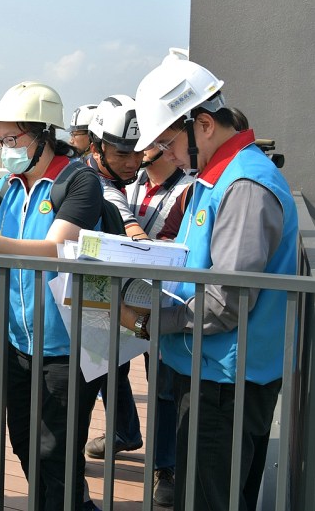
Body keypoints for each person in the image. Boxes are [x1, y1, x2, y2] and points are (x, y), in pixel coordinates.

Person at [119, 58, 298, 511]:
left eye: (168, 142)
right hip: (212, 373)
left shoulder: (244, 185)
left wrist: (148, 322)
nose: (167, 155)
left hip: (224, 383)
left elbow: (225, 302)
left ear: (202, 124)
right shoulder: (219, 178)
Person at [0, 81, 104, 511]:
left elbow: (57, 247)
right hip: (20, 342)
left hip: (68, 344)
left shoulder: (79, 181)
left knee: (56, 451)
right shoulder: (10, 185)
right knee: (25, 442)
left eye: (11, 139)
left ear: (43, 135)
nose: (4, 149)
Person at [125, 144, 194, 507]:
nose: (139, 149)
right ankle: (124, 431)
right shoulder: (127, 182)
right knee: (107, 371)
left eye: (150, 141)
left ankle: (164, 466)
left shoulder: (189, 190)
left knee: (163, 386)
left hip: (163, 305)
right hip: (121, 300)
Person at [81, 95, 146, 465]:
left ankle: (125, 431)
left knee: (110, 372)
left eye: (138, 152)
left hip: (107, 301)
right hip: (94, 302)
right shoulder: (98, 187)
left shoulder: (117, 180)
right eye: (122, 153)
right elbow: (135, 234)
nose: (132, 161)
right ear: (97, 147)